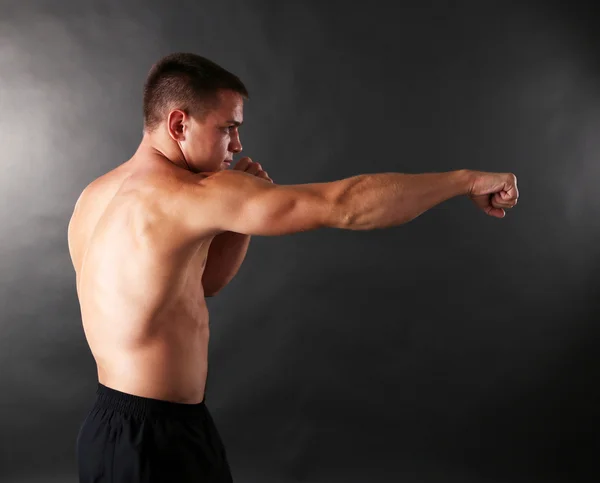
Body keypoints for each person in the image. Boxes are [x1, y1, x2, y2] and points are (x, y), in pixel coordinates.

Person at [68, 52, 519, 483]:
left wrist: (237, 224)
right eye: (228, 128)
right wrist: (465, 182)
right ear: (179, 123)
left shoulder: (95, 196)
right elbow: (343, 205)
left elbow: (195, 286)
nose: (237, 144)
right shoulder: (191, 195)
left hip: (110, 426)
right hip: (157, 441)